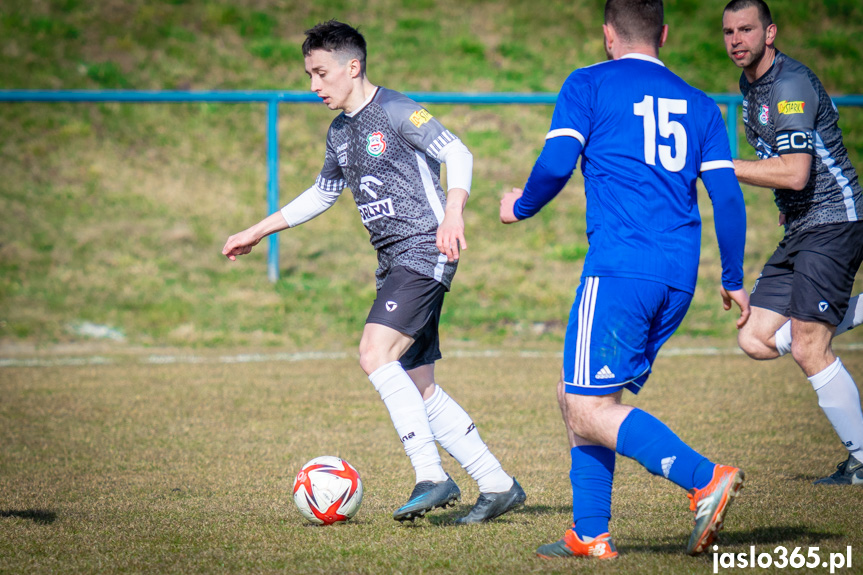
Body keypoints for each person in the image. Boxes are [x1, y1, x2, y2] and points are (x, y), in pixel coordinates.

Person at [223, 20, 525, 523]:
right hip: (392, 263)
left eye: (321, 73)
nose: (313, 86)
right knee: (418, 383)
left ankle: (430, 475)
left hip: (423, 249)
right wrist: (258, 229)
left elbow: (457, 152)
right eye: (309, 75)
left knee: (373, 352)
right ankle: (496, 484)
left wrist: (454, 212)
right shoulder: (340, 132)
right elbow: (322, 193)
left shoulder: (396, 110)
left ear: (353, 66)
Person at [500, 0, 750, 559]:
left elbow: (558, 160)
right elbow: (728, 198)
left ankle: (704, 478)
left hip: (620, 267)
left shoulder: (588, 83)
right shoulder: (703, 105)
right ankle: (591, 533)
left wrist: (522, 207)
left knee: (586, 408)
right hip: (678, 275)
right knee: (582, 394)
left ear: (608, 35)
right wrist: (733, 275)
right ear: (663, 34)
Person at [722, 0, 863, 485]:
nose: (736, 39)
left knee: (808, 345)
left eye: (746, 29)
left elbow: (797, 173)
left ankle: (862, 461)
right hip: (801, 230)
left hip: (834, 220)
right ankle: (845, 312)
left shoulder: (788, 85)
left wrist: (724, 168)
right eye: (728, 32)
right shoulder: (750, 85)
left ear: (771, 32)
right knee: (754, 338)